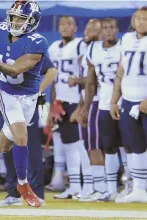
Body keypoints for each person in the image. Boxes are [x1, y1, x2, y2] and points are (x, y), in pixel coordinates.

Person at [0, 0, 48, 207]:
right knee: (21, 136)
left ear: (32, 21)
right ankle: (23, 185)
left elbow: (15, 70)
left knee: (4, 145)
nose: (15, 22)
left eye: (21, 18)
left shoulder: (38, 42)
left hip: (29, 97)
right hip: (8, 93)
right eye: (13, 17)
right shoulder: (0, 29)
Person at [78, 18, 128, 202]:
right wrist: (86, 105)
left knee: (128, 146)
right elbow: (91, 82)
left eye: (112, 27)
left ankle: (131, 185)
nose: (108, 31)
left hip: (126, 101)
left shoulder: (125, 45)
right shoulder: (93, 49)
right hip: (105, 104)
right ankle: (111, 189)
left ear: (117, 29)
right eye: (105, 28)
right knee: (109, 147)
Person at [47, 15, 88, 199]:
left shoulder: (80, 45)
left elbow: (89, 75)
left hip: (77, 100)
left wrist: (83, 104)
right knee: (69, 146)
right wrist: (52, 105)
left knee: (80, 146)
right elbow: (54, 80)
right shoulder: (54, 48)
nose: (65, 27)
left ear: (75, 27)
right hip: (61, 101)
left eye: (69, 24)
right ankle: (75, 186)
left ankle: (87, 185)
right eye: (62, 24)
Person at [110, 7, 147, 203]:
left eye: (146, 19)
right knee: (135, 146)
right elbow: (121, 72)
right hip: (129, 99)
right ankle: (140, 189)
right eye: (139, 19)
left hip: (145, 100)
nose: (142, 22)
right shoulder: (127, 39)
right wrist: (114, 99)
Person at [67, 18, 103, 200]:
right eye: (87, 27)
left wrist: (76, 80)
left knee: (98, 146)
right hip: (89, 100)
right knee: (87, 146)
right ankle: (92, 187)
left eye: (93, 28)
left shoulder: (102, 50)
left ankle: (103, 188)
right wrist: (81, 106)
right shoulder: (87, 51)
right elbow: (88, 84)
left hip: (98, 101)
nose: (87, 31)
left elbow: (94, 81)